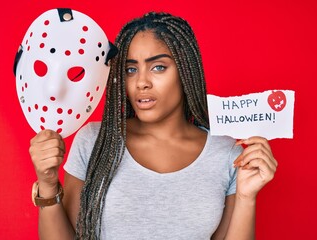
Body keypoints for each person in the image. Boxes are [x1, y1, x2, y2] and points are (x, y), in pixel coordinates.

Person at [29, 11, 278, 239]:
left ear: (185, 71)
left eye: (158, 67)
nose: (142, 82)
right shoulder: (94, 141)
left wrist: (246, 197)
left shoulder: (227, 153)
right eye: (130, 69)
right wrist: (48, 184)